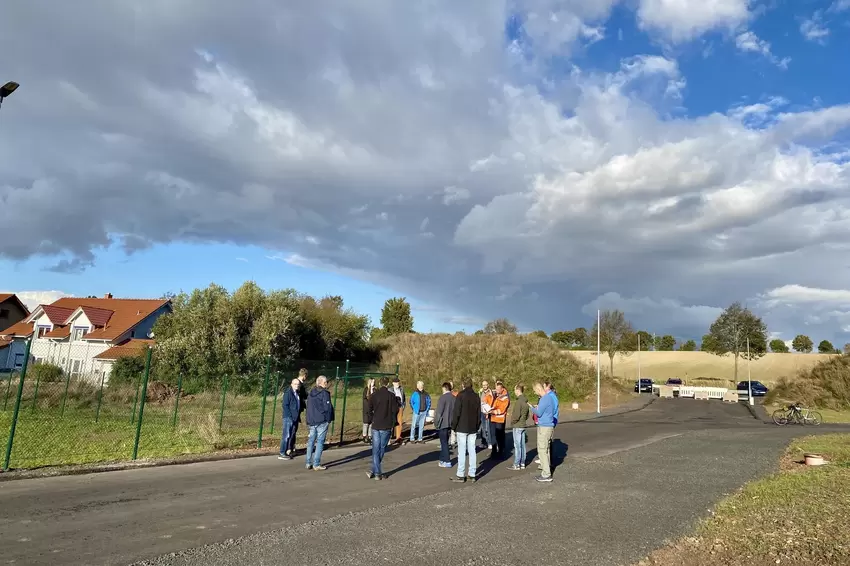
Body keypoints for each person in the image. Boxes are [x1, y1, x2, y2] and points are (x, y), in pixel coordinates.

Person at [367, 377, 399, 480]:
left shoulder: (374, 395)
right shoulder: (391, 396)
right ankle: (377, 472)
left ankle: (375, 471)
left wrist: (372, 418)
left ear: (380, 383)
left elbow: (369, 409)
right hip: (386, 425)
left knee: (376, 448)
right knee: (381, 448)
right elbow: (395, 410)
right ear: (388, 384)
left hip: (376, 424)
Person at [451, 378, 481, 483]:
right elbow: (478, 413)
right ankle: (472, 473)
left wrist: (453, 426)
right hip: (473, 427)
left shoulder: (460, 395)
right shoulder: (476, 396)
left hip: (462, 427)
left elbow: (456, 413)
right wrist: (477, 425)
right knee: (472, 450)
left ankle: (460, 473)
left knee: (462, 451)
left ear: (463, 385)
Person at [529, 381, 559, 483]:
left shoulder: (544, 399)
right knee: (546, 449)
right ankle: (547, 469)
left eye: (535, 391)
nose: (535, 393)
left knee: (542, 449)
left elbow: (539, 413)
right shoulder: (550, 397)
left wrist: (532, 408)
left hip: (544, 426)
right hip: (549, 425)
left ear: (538, 389)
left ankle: (546, 474)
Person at [305, 375, 335, 471]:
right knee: (320, 442)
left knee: (311, 441)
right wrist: (328, 419)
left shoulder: (311, 393)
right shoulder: (324, 393)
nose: (327, 384)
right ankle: (316, 463)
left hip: (312, 421)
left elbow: (308, 407)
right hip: (321, 420)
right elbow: (327, 408)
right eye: (325, 382)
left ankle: (308, 462)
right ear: (322, 383)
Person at [507, 384, 530, 470]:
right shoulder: (525, 401)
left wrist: (512, 422)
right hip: (523, 424)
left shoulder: (518, 402)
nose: (514, 392)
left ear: (517, 390)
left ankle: (517, 463)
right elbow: (527, 415)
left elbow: (516, 415)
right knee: (522, 445)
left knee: (517, 445)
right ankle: (522, 462)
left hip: (517, 425)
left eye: (515, 390)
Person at [279, 378, 302, 460]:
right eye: (295, 384)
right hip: (289, 418)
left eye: (298, 384)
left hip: (295, 418)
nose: (297, 385)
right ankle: (282, 452)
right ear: (291, 384)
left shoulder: (296, 393)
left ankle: (288, 450)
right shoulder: (288, 393)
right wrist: (290, 416)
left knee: (291, 434)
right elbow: (285, 405)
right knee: (286, 435)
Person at [434, 382, 456, 468]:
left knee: (444, 443)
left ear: (444, 388)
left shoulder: (442, 398)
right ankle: (443, 459)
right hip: (451, 423)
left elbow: (439, 412)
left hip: (443, 423)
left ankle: (447, 461)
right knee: (446, 441)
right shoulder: (454, 398)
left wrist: (436, 423)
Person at [489, 381, 510, 459]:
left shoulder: (505, 397)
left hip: (499, 419)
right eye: (496, 388)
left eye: (498, 389)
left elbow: (502, 409)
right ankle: (494, 451)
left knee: (499, 436)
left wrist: (493, 411)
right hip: (492, 418)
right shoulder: (494, 394)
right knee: (492, 435)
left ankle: (501, 451)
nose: (496, 390)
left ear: (502, 389)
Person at [478, 380, 494, 449]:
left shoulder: (490, 392)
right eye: (483, 385)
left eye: (485, 385)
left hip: (487, 412)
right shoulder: (481, 392)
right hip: (482, 412)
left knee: (488, 428)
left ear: (488, 385)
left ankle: (490, 442)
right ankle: (484, 442)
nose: (484, 386)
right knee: (483, 428)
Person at [390, 377, 406, 444]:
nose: (397, 383)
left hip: (400, 407)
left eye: (398, 382)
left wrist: (403, 406)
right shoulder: (390, 390)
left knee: (399, 423)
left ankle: (398, 437)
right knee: (391, 423)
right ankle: (389, 438)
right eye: (396, 382)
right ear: (393, 383)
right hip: (393, 408)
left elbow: (404, 398)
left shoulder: (401, 389)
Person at [362, 377, 376, 444]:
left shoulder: (375, 390)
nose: (374, 383)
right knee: (366, 423)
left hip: (373, 410)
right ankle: (364, 436)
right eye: (373, 382)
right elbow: (365, 399)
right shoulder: (366, 390)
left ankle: (370, 436)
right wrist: (369, 406)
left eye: (374, 382)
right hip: (367, 409)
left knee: (371, 423)